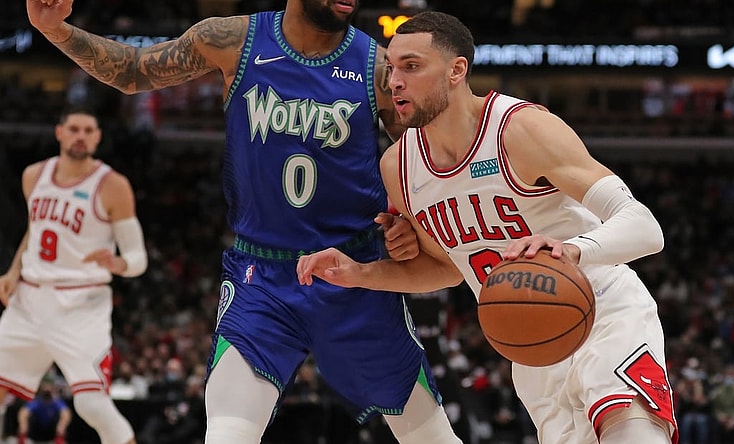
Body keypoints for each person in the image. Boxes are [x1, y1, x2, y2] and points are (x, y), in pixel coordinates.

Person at [26, 1, 462, 443]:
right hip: (262, 279)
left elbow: (419, 164)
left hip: (356, 273)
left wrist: (410, 222)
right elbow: (133, 70)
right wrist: (56, 30)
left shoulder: (376, 66)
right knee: (227, 435)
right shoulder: (234, 39)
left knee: (432, 439)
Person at [297, 11, 680, 444]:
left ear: (457, 70)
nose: (394, 82)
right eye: (391, 70)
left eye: (412, 66)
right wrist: (358, 273)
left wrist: (571, 250)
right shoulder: (399, 166)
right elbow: (447, 267)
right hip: (530, 346)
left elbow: (645, 227)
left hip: (604, 311)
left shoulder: (521, 129)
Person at [0, 106, 146, 444]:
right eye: (74, 129)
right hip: (30, 299)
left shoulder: (112, 185)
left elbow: (138, 258)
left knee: (92, 405)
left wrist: (119, 263)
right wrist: (13, 270)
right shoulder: (33, 175)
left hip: (82, 303)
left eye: (88, 131)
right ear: (60, 133)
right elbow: (35, 231)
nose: (81, 136)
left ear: (97, 138)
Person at [17, 378, 72, 444]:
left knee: (61, 424)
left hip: (51, 431)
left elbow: (66, 412)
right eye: (45, 386)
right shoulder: (37, 401)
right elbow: (24, 412)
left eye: (49, 386)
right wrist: (23, 424)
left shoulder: (56, 401)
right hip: (36, 431)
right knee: (25, 422)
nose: (47, 388)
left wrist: (62, 425)